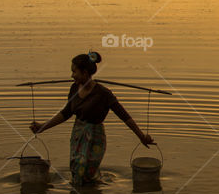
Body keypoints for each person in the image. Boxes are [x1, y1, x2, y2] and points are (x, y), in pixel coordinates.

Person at [29, 51, 154, 185]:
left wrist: (141, 136)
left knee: (85, 169)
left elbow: (124, 116)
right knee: (76, 168)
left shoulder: (103, 93)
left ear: (85, 73)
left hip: (95, 137)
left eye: (74, 72)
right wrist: (43, 126)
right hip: (78, 135)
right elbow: (66, 113)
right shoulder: (74, 89)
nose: (72, 75)